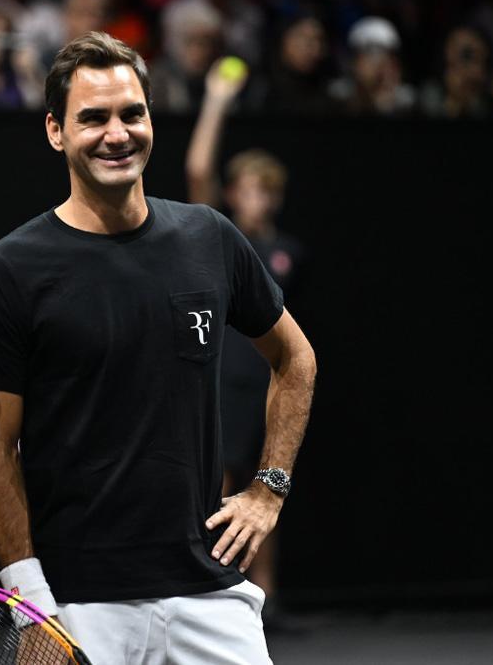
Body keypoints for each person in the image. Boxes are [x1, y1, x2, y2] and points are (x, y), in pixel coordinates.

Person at [0, 32, 316, 663]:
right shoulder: (11, 269)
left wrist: (268, 490)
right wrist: (27, 595)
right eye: (93, 118)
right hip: (78, 603)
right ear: (55, 132)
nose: (117, 134)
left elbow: (296, 359)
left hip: (209, 590)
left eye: (132, 114)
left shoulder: (209, 237)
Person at [186, 56, 305, 630]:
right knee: (224, 489)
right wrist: (217, 99)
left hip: (267, 387)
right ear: (232, 193)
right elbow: (197, 168)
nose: (256, 198)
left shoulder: (288, 252)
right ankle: (219, 595)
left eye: (266, 190)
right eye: (247, 188)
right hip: (220, 383)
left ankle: (268, 600)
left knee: (267, 490)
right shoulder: (217, 236)